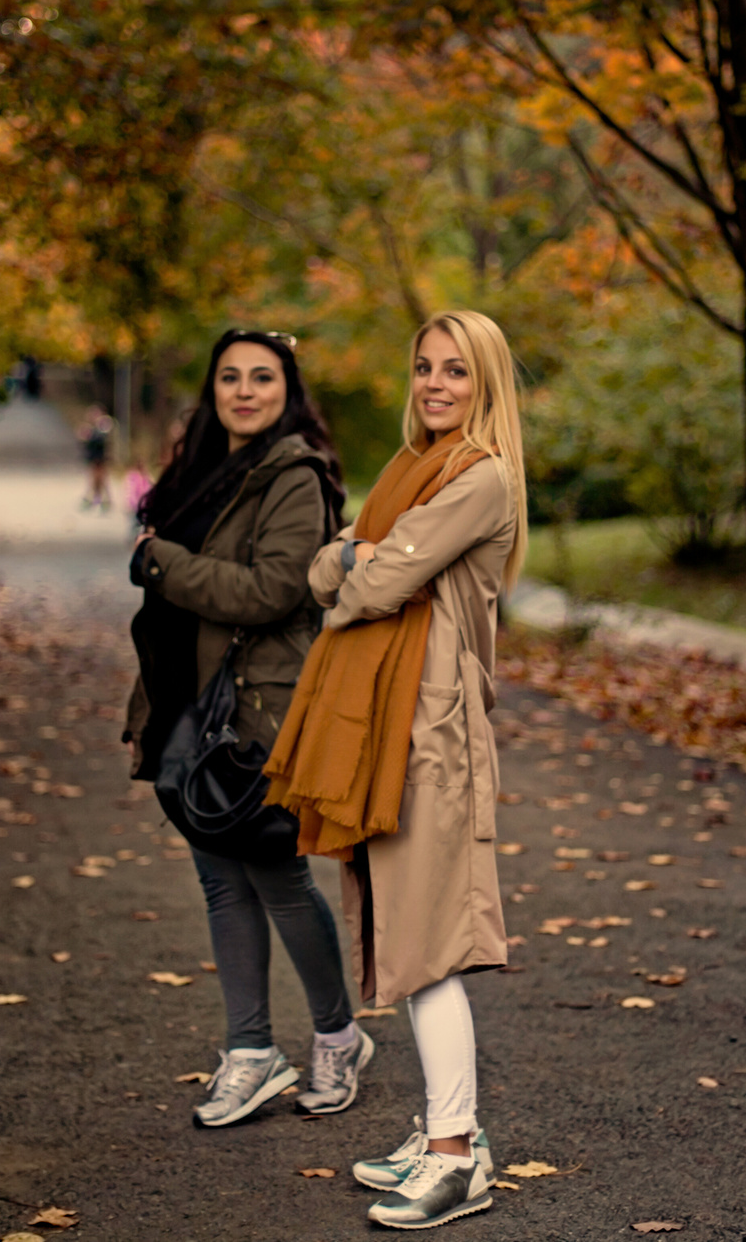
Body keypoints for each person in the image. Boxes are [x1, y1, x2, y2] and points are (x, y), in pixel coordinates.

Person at [266, 309, 527, 1230]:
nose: (435, 384)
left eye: (456, 371)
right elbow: (325, 569)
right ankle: (442, 1131)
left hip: (432, 737)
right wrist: (360, 560)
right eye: (423, 367)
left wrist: (361, 562)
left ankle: (457, 1156)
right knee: (403, 941)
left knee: (427, 948)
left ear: (485, 383)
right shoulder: (408, 470)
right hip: (390, 727)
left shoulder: (480, 478)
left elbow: (363, 583)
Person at [121, 330, 367, 1128]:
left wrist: (159, 562)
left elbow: (270, 592)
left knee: (277, 876)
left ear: (287, 390)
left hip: (258, 710)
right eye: (230, 376)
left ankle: (337, 1037)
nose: (245, 390)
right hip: (188, 707)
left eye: (263, 377)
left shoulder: (293, 476)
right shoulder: (201, 469)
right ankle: (251, 1051)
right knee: (219, 882)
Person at [79, 406, 114, 511]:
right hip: (93, 458)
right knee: (94, 480)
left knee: (101, 480)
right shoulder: (90, 428)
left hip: (101, 458)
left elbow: (104, 438)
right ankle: (94, 500)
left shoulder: (103, 425)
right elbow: (86, 442)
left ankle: (102, 501)